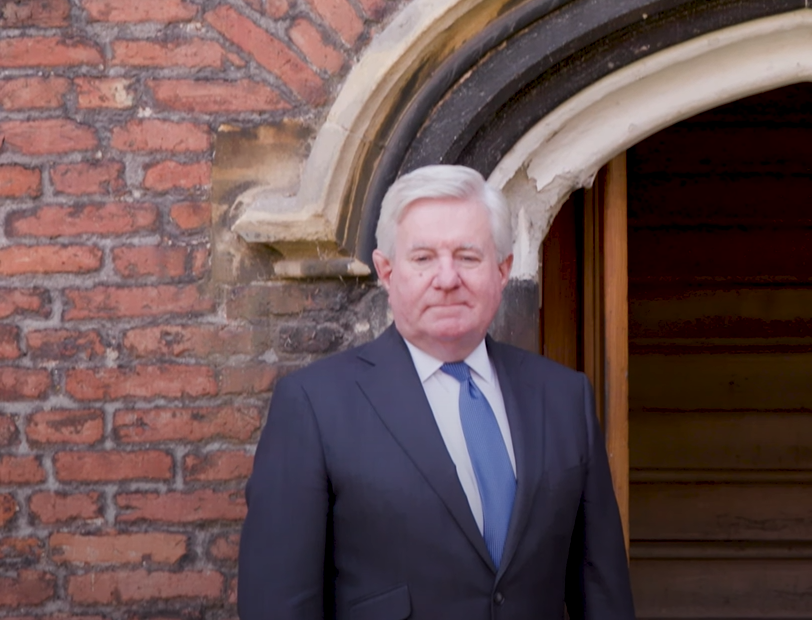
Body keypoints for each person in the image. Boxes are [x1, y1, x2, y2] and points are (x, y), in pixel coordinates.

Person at [238, 165, 634, 620]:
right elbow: (279, 605)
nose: (447, 279)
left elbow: (604, 595)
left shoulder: (565, 399)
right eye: (423, 258)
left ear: (503, 271)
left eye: (468, 257)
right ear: (387, 273)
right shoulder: (314, 406)